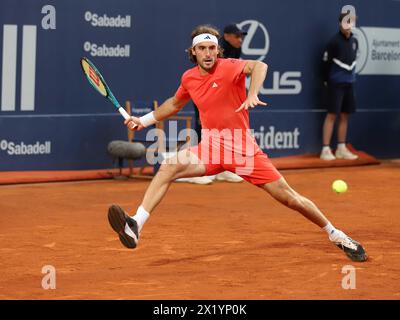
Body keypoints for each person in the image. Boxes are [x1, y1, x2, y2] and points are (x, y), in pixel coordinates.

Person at [108, 25, 367, 262]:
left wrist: (252, 92)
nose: (208, 53)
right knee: (168, 167)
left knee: (290, 199)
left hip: (242, 151)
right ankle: (136, 225)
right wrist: (142, 121)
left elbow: (259, 67)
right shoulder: (189, 78)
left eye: (212, 48)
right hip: (210, 148)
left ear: (217, 50)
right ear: (194, 52)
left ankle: (335, 234)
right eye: (202, 49)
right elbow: (174, 104)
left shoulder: (229, 66)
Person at [320, 12, 359, 161]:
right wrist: (326, 81)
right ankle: (325, 149)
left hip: (349, 83)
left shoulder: (355, 41)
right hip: (335, 84)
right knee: (331, 115)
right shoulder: (333, 42)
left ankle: (341, 148)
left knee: (345, 115)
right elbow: (325, 64)